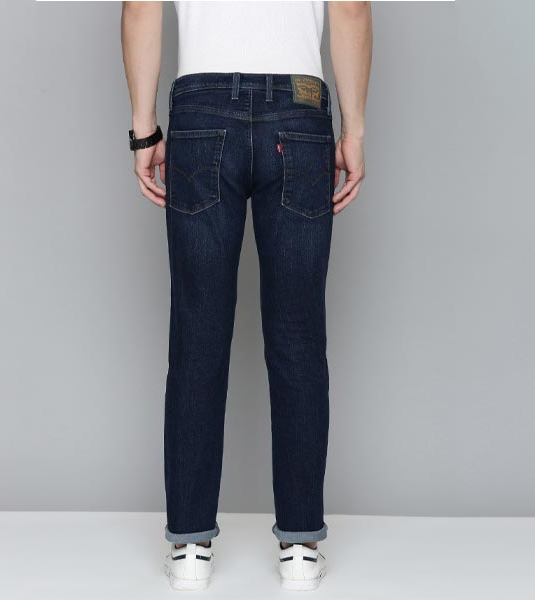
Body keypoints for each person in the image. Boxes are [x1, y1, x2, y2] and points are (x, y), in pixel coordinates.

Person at [121, 0, 372, 591]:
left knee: (197, 337)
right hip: (300, 109)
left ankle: (189, 547)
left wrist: (144, 130)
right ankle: (301, 547)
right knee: (299, 340)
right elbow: (352, 9)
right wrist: (354, 130)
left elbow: (139, 8)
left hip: (201, 109)